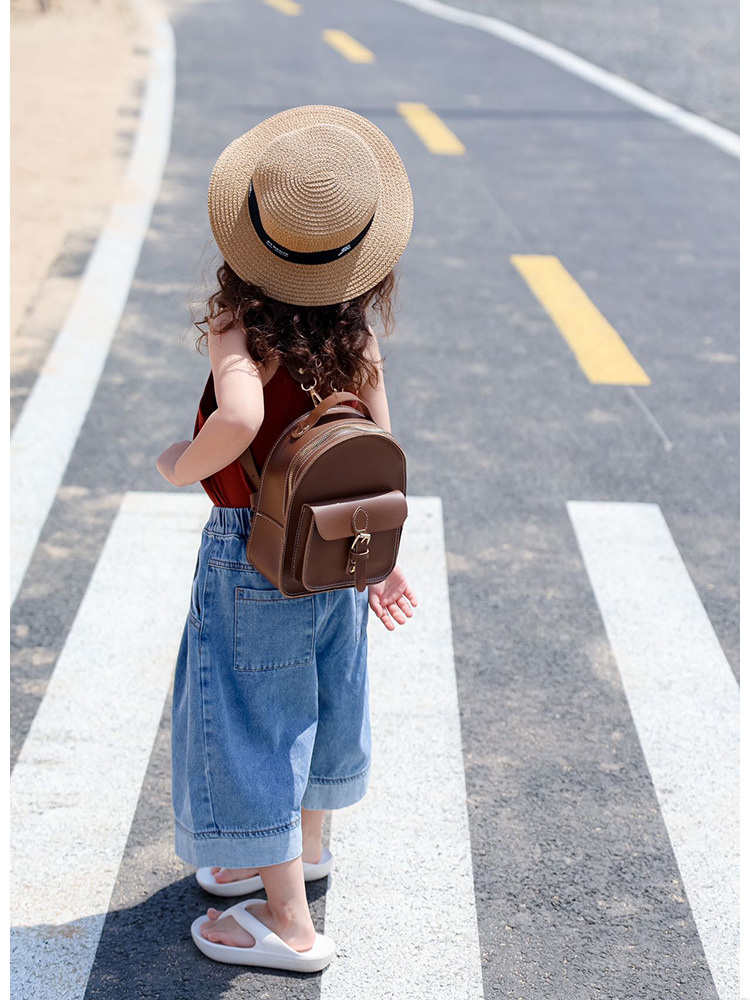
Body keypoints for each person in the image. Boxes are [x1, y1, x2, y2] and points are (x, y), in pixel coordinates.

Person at [155, 105, 417, 973]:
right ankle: (305, 848)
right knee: (323, 696)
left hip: (252, 551)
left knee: (251, 718)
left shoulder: (243, 329)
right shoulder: (355, 334)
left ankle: (287, 922)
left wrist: (176, 462)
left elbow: (240, 415)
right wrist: (382, 563)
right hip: (338, 548)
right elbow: (380, 448)